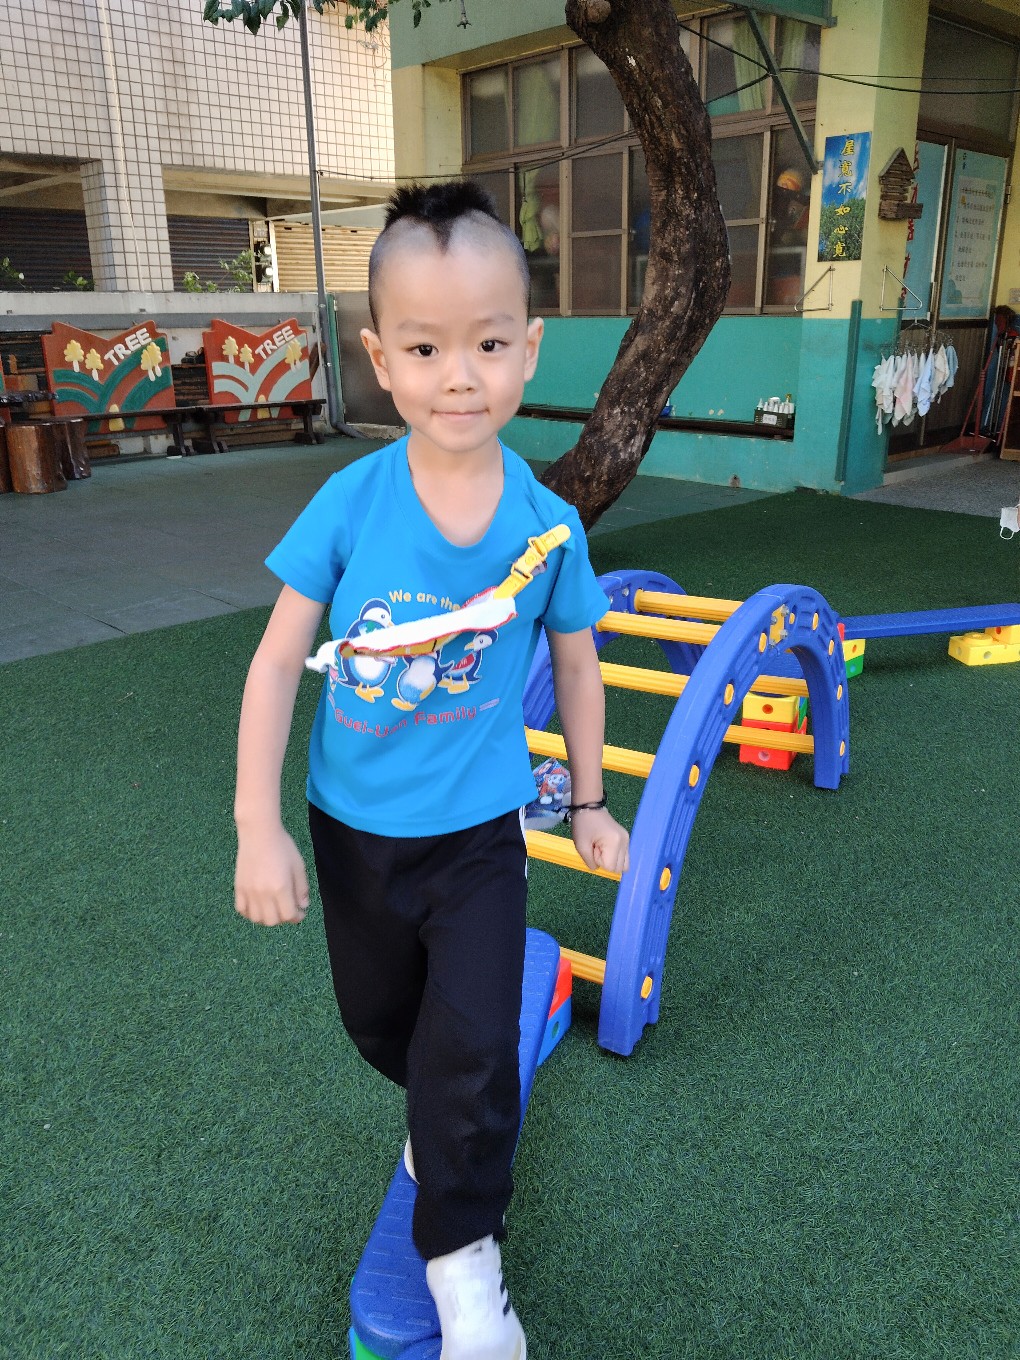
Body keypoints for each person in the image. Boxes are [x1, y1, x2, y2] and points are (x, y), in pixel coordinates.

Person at [233, 179, 630, 1360]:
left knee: (470, 1048)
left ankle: (469, 1277)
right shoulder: (349, 504)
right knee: (385, 1029)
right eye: (425, 347)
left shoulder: (547, 525)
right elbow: (275, 662)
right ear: (379, 359)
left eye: (489, 345)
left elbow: (578, 664)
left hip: (478, 837)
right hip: (354, 829)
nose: (461, 376)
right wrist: (258, 824)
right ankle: (436, 1122)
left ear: (529, 349)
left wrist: (593, 802)